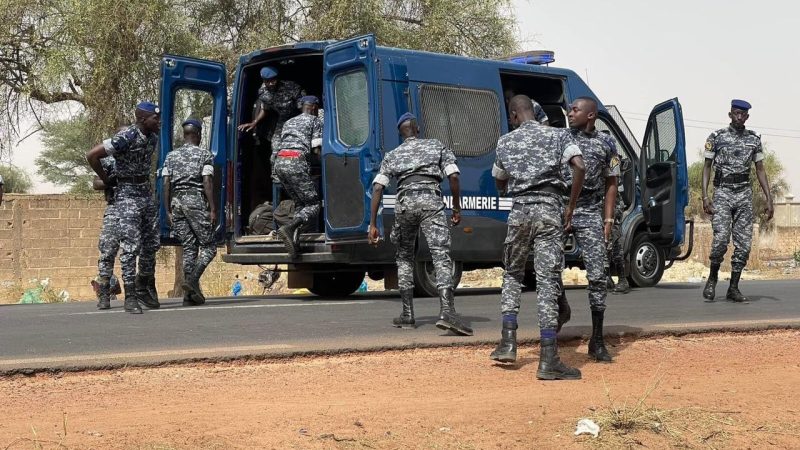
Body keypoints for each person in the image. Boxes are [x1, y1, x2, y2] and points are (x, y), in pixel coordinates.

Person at [490, 95, 585, 380]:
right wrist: (570, 206)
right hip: (548, 210)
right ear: (533, 111)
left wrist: (511, 189)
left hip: (519, 212)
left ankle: (508, 343)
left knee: (513, 275)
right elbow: (579, 166)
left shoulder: (505, 142)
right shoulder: (559, 135)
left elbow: (499, 178)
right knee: (546, 282)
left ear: (514, 115)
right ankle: (548, 358)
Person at [368, 112, 473, 336]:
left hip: (404, 206)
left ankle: (407, 314)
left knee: (404, 257)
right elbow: (454, 176)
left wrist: (372, 224)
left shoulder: (393, 154)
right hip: (430, 204)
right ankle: (447, 312)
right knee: (440, 255)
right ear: (417, 130)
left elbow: (377, 188)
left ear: (400, 133)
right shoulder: (436, 146)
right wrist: (456, 208)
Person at [86, 102, 162, 314]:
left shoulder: (153, 138)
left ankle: (144, 284)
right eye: (155, 118)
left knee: (152, 243)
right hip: (126, 196)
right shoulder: (126, 137)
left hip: (145, 194)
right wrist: (107, 180)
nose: (159, 122)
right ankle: (130, 296)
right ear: (142, 119)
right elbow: (92, 155)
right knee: (128, 247)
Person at [562, 97, 620, 363]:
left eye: (575, 109)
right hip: (561, 208)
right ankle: (561, 306)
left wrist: (608, 221)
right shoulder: (561, 137)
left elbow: (611, 183)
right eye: (570, 109)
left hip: (589, 210)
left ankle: (597, 339)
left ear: (590, 115)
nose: (570, 113)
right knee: (547, 267)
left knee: (598, 275)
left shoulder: (607, 143)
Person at [702, 99, 773, 303]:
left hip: (744, 193)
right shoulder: (716, 137)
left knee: (743, 245)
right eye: (736, 113)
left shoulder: (754, 139)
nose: (739, 117)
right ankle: (713, 278)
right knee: (721, 240)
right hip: (722, 192)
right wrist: (706, 196)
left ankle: (733, 287)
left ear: (747, 117)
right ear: (730, 114)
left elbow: (760, 169)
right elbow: (707, 166)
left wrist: (769, 199)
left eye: (743, 114)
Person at [163, 119, 217, 305]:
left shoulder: (171, 156)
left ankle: (189, 296)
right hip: (195, 201)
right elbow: (207, 181)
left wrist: (168, 210)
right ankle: (192, 280)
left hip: (176, 203)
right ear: (198, 135)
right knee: (209, 247)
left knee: (189, 247)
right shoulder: (205, 154)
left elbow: (166, 183)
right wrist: (213, 208)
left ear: (185, 135)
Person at [272, 96, 324, 258]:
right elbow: (316, 148)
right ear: (315, 108)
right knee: (314, 204)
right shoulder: (315, 121)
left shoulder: (288, 122)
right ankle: (289, 227)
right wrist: (326, 164)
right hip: (296, 161)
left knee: (301, 204)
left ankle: (294, 244)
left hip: (280, 163)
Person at [237, 66, 305, 158]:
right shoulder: (262, 92)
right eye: (267, 81)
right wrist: (255, 122)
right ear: (263, 81)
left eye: (273, 80)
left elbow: (304, 105)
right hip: (282, 121)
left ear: (277, 78)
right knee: (275, 149)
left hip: (298, 119)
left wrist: (306, 120)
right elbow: (265, 109)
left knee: (299, 146)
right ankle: (275, 171)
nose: (271, 83)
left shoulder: (291, 87)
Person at [92, 155, 122, 309]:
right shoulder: (109, 160)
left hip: (136, 210)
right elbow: (96, 184)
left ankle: (134, 293)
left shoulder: (139, 155)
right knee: (107, 251)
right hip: (114, 209)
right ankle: (104, 294)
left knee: (134, 253)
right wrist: (111, 179)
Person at [606, 182, 631, 294]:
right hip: (603, 204)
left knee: (614, 241)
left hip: (613, 204)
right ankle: (607, 278)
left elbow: (614, 184)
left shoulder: (611, 164)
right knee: (605, 242)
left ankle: (622, 280)